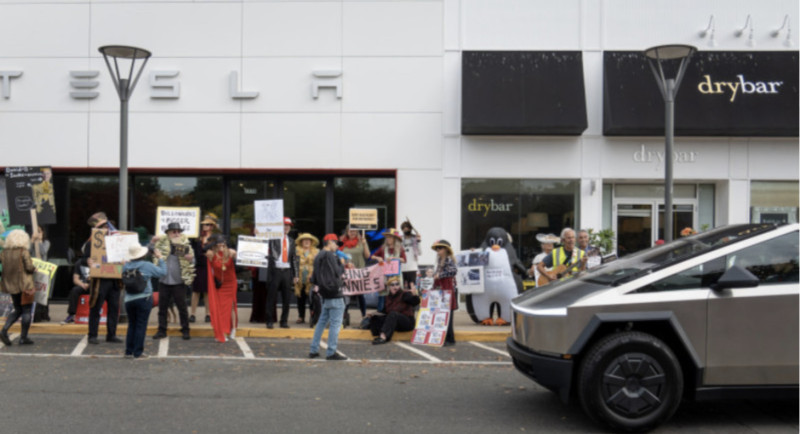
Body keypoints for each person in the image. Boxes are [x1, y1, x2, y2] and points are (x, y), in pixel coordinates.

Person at [82, 212, 122, 345]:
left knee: (114, 308)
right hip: (99, 281)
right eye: (103, 226)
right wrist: (88, 261)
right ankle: (92, 335)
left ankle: (111, 334)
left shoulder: (117, 241)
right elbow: (82, 260)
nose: (106, 228)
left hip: (114, 281)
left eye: (107, 225)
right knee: (95, 308)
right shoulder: (91, 243)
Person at [151, 222, 195, 341]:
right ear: (168, 233)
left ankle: (185, 330)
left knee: (182, 308)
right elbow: (149, 253)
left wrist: (190, 259)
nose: (177, 234)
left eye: (178, 231)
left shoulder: (185, 244)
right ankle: (162, 330)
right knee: (162, 308)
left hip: (179, 281)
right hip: (164, 280)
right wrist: (152, 242)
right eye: (174, 231)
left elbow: (192, 261)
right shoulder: (160, 244)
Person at [122, 243, 166, 359]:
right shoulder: (146, 265)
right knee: (141, 325)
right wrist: (160, 258)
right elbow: (162, 272)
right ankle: (138, 352)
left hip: (129, 299)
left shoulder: (126, 266)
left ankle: (128, 351)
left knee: (132, 324)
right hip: (144, 297)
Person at [308, 234, 347, 361]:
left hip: (324, 294)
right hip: (334, 293)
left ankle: (314, 350)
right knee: (335, 324)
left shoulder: (318, 255)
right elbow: (338, 272)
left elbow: (313, 278)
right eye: (336, 244)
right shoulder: (330, 255)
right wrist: (342, 264)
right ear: (330, 242)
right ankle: (331, 352)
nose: (337, 247)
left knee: (321, 322)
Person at [0, 229, 36, 345]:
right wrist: (35, 268)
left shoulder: (4, 252)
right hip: (25, 285)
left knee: (17, 309)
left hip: (11, 285)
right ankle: (23, 337)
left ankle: (4, 330)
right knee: (26, 310)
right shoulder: (23, 251)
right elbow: (29, 267)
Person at [368, 276, 420, 345]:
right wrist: (373, 314)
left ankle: (383, 337)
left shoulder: (404, 294)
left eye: (397, 284)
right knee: (376, 317)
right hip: (395, 323)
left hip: (407, 322)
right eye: (392, 285)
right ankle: (378, 334)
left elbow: (415, 302)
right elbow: (384, 312)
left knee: (393, 314)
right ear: (389, 287)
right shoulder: (387, 297)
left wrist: (414, 295)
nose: (395, 286)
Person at [206, 235, 239, 343]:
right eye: (218, 243)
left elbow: (240, 258)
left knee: (232, 306)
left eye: (222, 242)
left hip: (231, 283)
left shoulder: (230, 252)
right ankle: (222, 331)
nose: (220, 245)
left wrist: (236, 254)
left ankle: (233, 328)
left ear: (225, 243)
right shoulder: (211, 254)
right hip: (220, 284)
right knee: (221, 308)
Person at [265, 217, 296, 329]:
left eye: (288, 226)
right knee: (271, 297)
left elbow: (293, 259)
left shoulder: (291, 241)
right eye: (284, 225)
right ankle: (269, 320)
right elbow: (262, 241)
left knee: (287, 298)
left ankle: (284, 321)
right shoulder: (273, 238)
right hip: (276, 270)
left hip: (286, 271)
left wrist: (295, 274)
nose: (286, 227)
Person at [190, 213, 218, 324]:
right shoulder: (197, 238)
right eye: (204, 224)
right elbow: (191, 249)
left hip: (209, 266)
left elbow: (218, 251)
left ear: (212, 226)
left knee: (207, 291)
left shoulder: (215, 238)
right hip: (198, 265)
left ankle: (208, 314)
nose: (205, 226)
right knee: (195, 291)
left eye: (208, 224)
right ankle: (192, 314)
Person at [370, 228, 406, 311]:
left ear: (395, 239)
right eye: (387, 237)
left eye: (390, 237)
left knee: (396, 294)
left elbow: (404, 260)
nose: (388, 239)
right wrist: (378, 257)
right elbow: (372, 256)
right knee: (383, 295)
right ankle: (381, 313)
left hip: (396, 275)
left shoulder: (400, 248)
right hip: (384, 275)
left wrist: (395, 258)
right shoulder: (383, 248)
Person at [339, 225, 370, 319]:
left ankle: (364, 315)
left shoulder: (362, 242)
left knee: (360, 295)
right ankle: (344, 315)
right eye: (350, 231)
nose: (352, 233)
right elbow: (339, 256)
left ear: (357, 232)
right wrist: (345, 264)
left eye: (354, 231)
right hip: (347, 272)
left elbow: (367, 256)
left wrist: (364, 244)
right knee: (346, 294)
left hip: (359, 271)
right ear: (347, 232)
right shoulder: (342, 242)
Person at [432, 239, 458, 346]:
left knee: (448, 314)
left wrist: (440, 275)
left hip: (448, 289)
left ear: (446, 249)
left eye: (440, 248)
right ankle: (447, 338)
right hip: (441, 288)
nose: (438, 250)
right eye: (437, 248)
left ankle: (449, 338)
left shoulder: (448, 259)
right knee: (443, 314)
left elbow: (453, 271)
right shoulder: (439, 260)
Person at [293, 233, 319, 324]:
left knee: (312, 299)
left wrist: (313, 274)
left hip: (311, 279)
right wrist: (294, 275)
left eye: (309, 240)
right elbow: (294, 264)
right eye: (304, 240)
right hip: (299, 279)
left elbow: (318, 266)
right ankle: (301, 316)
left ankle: (313, 316)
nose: (307, 241)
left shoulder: (316, 252)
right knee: (300, 298)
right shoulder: (296, 251)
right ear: (301, 242)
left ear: (311, 242)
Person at [400, 220, 422, 290]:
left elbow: (420, 253)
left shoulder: (415, 239)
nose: (406, 230)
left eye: (407, 228)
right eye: (404, 229)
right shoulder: (400, 239)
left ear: (410, 229)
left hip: (412, 267)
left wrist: (418, 241)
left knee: (412, 288)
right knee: (402, 288)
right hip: (402, 268)